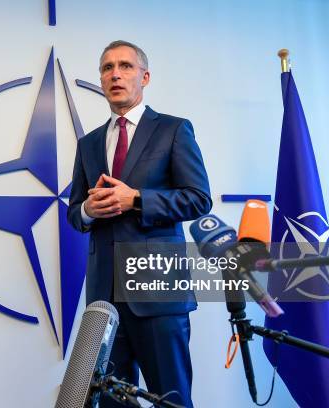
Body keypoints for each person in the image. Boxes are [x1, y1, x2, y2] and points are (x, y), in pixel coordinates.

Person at [67, 40, 212, 407]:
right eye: (107, 68)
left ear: (144, 77)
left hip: (158, 293)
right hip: (104, 301)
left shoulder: (174, 130)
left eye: (125, 66)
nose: (115, 74)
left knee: (172, 399)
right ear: (101, 80)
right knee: (110, 402)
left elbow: (199, 198)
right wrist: (89, 210)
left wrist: (135, 199)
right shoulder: (88, 144)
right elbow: (75, 212)